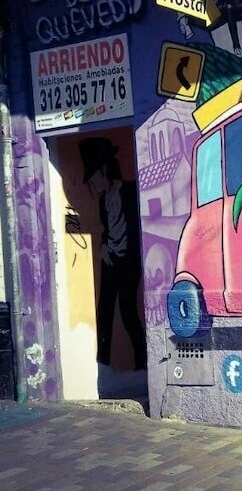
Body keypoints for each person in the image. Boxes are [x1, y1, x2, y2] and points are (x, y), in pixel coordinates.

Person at [79, 138, 146, 370]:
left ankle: (142, 363)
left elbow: (138, 228)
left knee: (128, 311)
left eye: (93, 176)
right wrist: (104, 245)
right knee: (104, 310)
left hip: (129, 261)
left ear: (105, 170)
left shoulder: (131, 192)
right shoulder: (102, 200)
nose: (92, 183)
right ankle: (103, 364)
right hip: (110, 260)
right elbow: (107, 229)